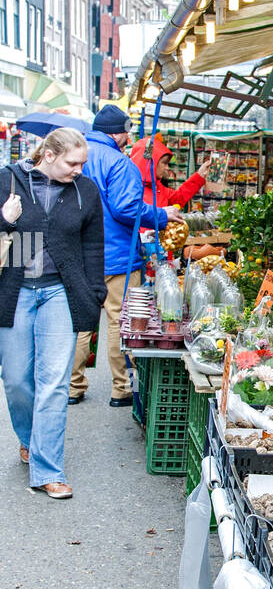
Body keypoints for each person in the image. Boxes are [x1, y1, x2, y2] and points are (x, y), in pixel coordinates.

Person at [0, 128, 106, 499]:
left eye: (82, 163)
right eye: (72, 162)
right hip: (14, 292)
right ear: (48, 156)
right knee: (16, 380)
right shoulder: (9, 181)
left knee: (54, 383)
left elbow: (93, 246)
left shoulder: (85, 191)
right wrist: (5, 219)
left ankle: (49, 470)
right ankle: (29, 437)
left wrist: (95, 293)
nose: (79, 169)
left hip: (59, 292)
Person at [68, 105, 175, 408]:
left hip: (80, 254)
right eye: (127, 132)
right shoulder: (120, 163)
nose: (129, 138)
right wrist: (162, 215)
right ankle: (121, 389)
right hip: (116, 256)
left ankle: (73, 386)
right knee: (120, 321)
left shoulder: (74, 158)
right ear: (117, 132)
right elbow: (127, 209)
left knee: (81, 323)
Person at [128, 135, 212, 211]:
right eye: (164, 163)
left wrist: (200, 175)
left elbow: (179, 198)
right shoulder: (129, 190)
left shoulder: (159, 188)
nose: (167, 167)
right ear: (150, 163)